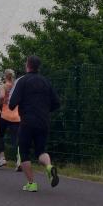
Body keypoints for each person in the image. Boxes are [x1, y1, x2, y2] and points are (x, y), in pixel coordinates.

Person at [7, 55, 61, 192]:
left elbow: (12, 104)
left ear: (27, 65)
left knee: (24, 151)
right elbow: (56, 103)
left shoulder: (22, 81)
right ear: (38, 67)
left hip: (27, 121)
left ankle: (31, 184)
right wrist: (44, 110)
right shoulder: (46, 81)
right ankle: (49, 166)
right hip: (43, 121)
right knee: (41, 151)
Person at [0, 69, 21, 169]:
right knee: (16, 138)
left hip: (4, 115)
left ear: (5, 76)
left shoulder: (3, 86)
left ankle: (2, 158)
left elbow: (2, 97)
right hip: (16, 116)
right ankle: (19, 160)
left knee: (0, 135)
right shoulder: (16, 86)